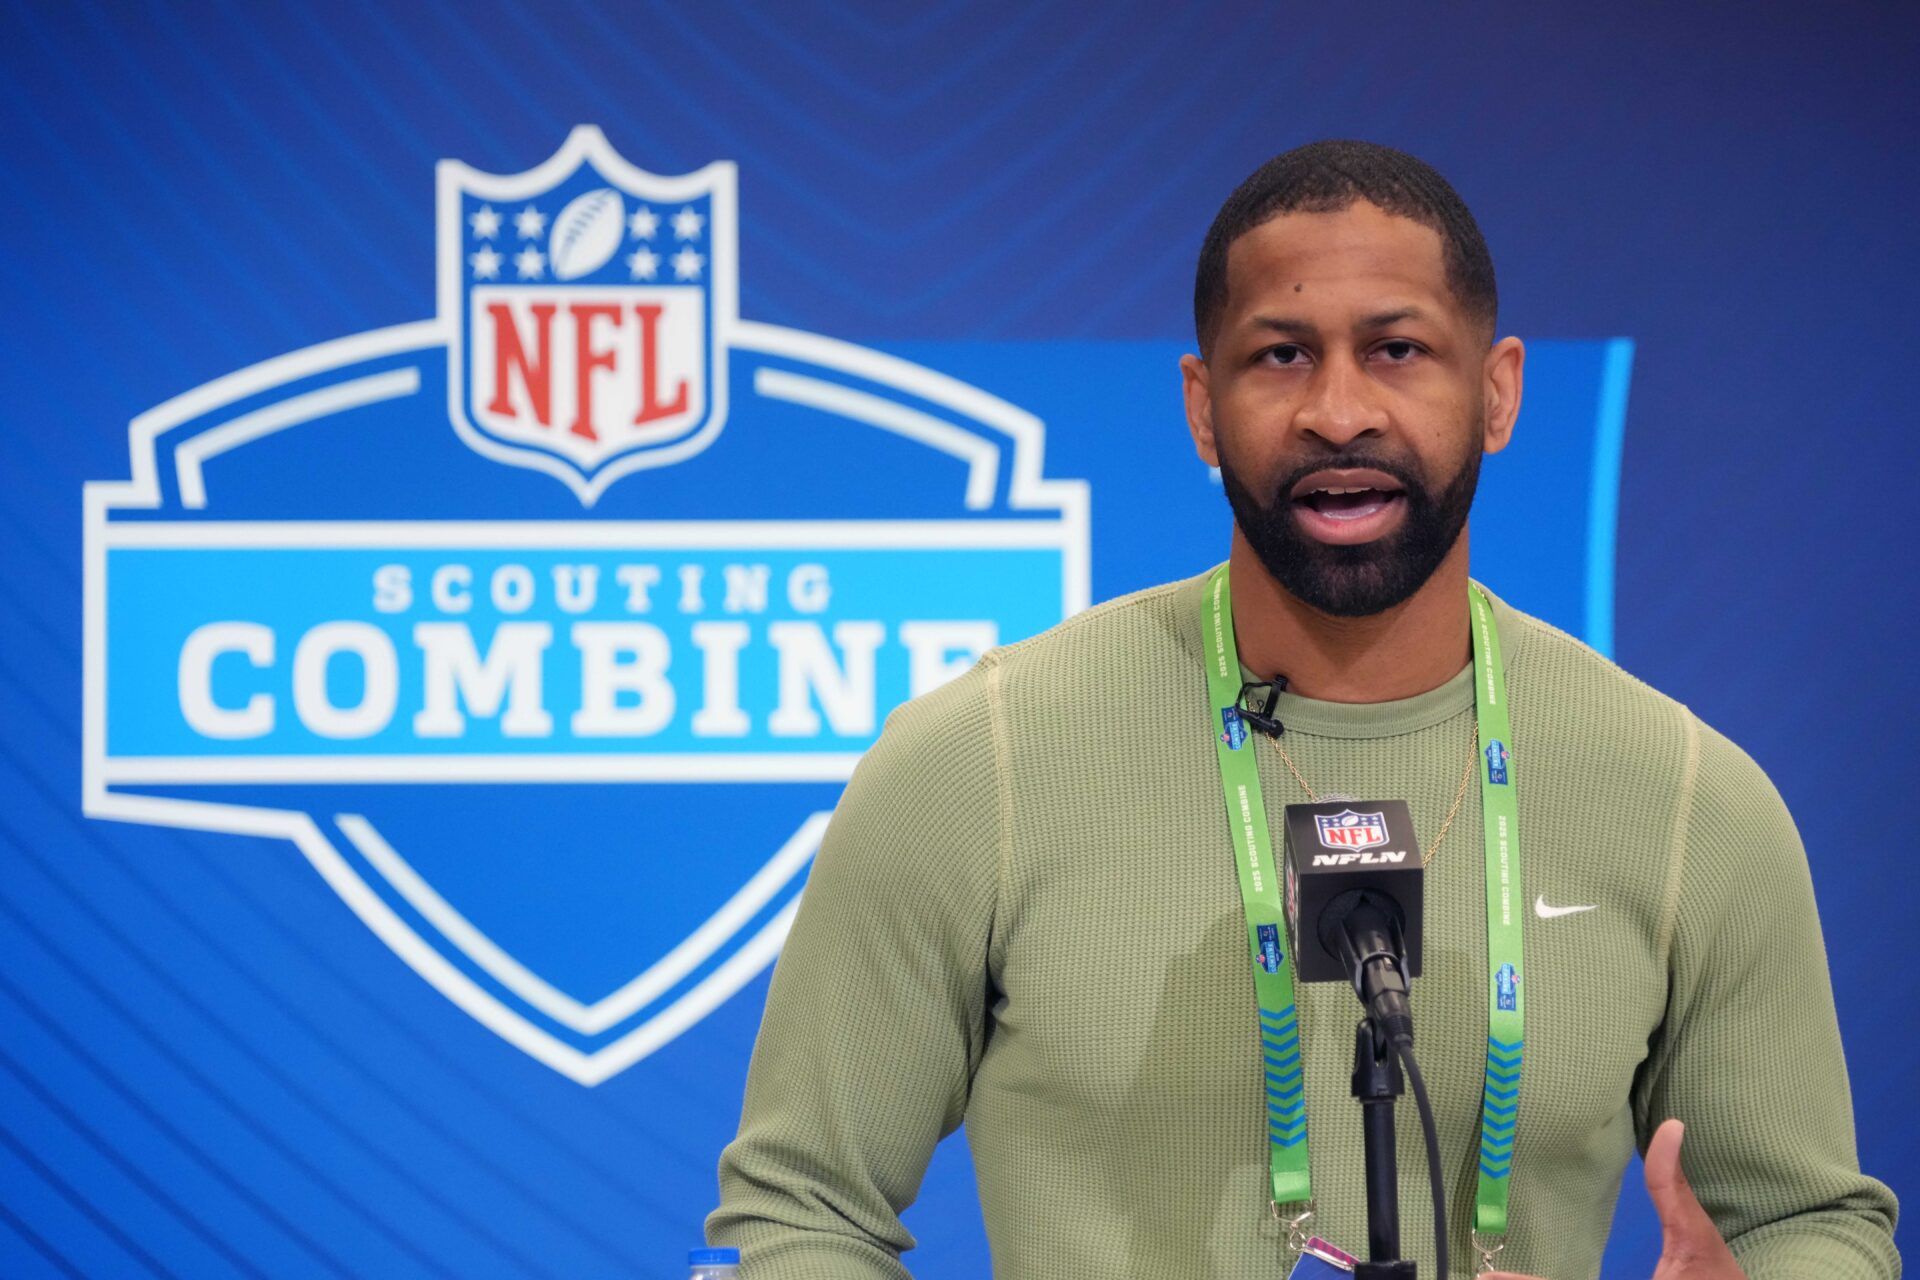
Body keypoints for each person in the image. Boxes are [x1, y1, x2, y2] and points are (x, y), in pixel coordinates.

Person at [705, 141, 1900, 1279]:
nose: (1339, 410)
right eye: (1281, 355)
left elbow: (1808, 1219)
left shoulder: (1687, 796)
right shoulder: (983, 763)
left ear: (1497, 392)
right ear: (1200, 406)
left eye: (1397, 351)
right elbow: (800, 1206)